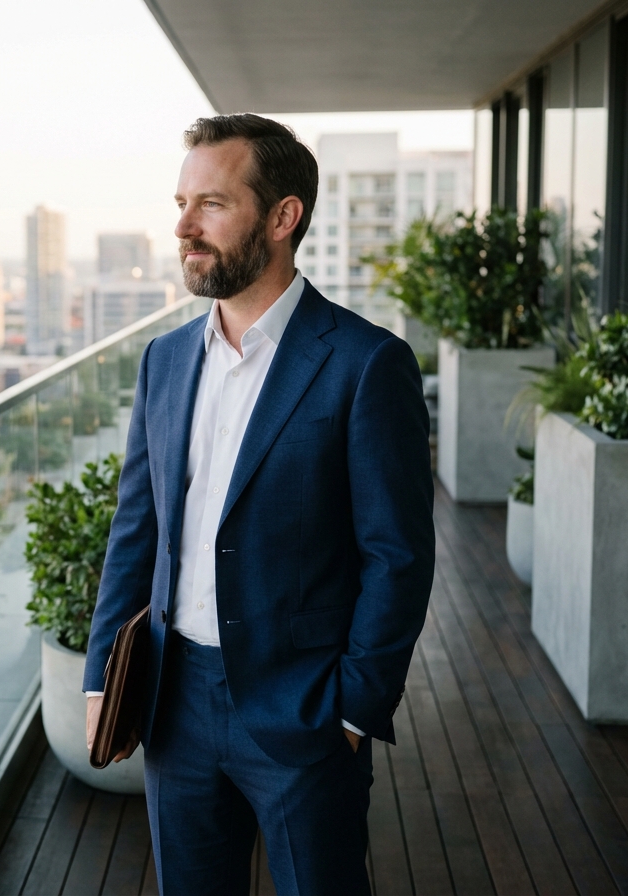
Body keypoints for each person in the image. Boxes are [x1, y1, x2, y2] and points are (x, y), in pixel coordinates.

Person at [83, 114, 435, 895]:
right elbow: (136, 527)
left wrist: (352, 710)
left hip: (305, 714)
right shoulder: (165, 360)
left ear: (283, 218)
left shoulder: (367, 364)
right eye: (180, 202)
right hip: (175, 706)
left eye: (211, 204)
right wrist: (103, 674)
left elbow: (398, 555)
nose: (182, 227)